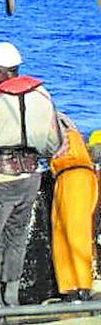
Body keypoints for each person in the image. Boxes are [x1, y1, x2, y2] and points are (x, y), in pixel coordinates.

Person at [0, 42, 61, 307]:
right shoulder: (44, 97)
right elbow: (53, 143)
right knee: (17, 237)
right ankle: (12, 296)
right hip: (31, 178)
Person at [50, 113, 97, 301]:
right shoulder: (61, 120)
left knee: (76, 233)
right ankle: (69, 287)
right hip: (65, 176)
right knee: (60, 231)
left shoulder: (55, 122)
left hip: (75, 174)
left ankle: (82, 285)